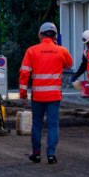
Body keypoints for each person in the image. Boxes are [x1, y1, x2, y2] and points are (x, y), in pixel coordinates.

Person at [18, 22, 73, 164]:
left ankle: (36, 153)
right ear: (55, 36)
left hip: (38, 96)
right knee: (53, 123)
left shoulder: (31, 51)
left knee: (37, 123)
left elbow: (24, 73)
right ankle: (51, 155)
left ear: (39, 35)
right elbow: (69, 65)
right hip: (54, 95)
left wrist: (23, 93)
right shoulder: (62, 51)